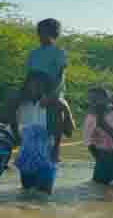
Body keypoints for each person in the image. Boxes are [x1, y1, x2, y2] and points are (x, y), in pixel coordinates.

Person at [25, 18, 75, 161]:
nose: (40, 35)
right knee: (13, 101)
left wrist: (51, 95)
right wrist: (26, 91)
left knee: (56, 108)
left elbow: (60, 76)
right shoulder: (34, 53)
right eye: (39, 32)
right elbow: (29, 75)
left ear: (53, 33)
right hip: (34, 88)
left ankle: (56, 148)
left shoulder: (59, 52)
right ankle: (14, 138)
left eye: (43, 32)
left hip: (53, 89)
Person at [13, 72, 62, 194]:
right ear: (27, 85)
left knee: (44, 192)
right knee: (26, 191)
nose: (36, 87)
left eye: (41, 84)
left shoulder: (52, 104)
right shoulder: (20, 102)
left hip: (46, 152)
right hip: (26, 154)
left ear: (46, 86)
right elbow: (11, 121)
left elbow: (57, 128)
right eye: (33, 84)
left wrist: (56, 149)